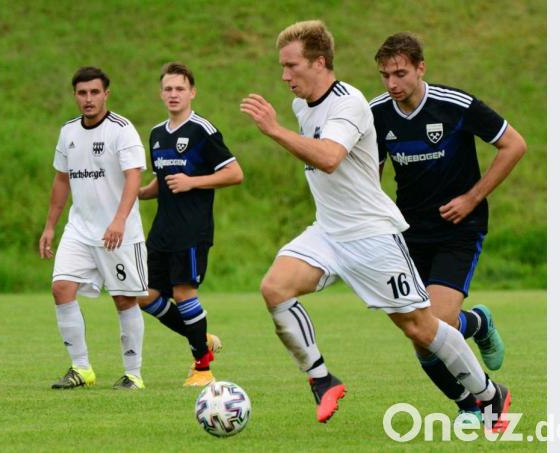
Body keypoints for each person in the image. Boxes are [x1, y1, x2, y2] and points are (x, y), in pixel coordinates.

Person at [239, 20, 511, 432]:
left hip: (370, 236)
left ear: (319, 62)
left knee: (422, 327)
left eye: (291, 65)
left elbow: (329, 158)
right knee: (274, 288)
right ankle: (322, 380)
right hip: (328, 231)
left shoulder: (349, 103)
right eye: (282, 66)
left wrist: (274, 130)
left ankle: (490, 395)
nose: (284, 76)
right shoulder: (302, 107)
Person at [370, 32, 526, 421]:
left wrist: (472, 198)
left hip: (459, 229)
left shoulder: (454, 104)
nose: (392, 83)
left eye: (400, 74)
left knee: (436, 323)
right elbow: (370, 175)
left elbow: (514, 145)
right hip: (409, 234)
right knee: (419, 334)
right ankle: (467, 400)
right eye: (385, 75)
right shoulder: (376, 113)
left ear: (421, 68)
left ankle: (477, 337)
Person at [39, 67, 148, 390]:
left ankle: (133, 374)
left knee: (124, 299)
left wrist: (119, 220)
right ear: (75, 95)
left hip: (119, 233)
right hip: (80, 229)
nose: (88, 99)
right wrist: (50, 226)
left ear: (106, 94)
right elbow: (62, 180)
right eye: (82, 93)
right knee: (61, 288)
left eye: (94, 92)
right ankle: (81, 368)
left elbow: (134, 177)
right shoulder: (68, 131)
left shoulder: (122, 130)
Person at [137, 63, 244, 386]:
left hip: (192, 229)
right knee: (144, 295)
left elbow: (234, 173)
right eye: (168, 89)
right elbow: (161, 181)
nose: (174, 94)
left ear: (192, 92)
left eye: (180, 89)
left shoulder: (202, 130)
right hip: (162, 230)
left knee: (184, 294)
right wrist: (136, 192)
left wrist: (193, 182)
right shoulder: (157, 134)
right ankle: (200, 338)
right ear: (161, 94)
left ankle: (203, 368)